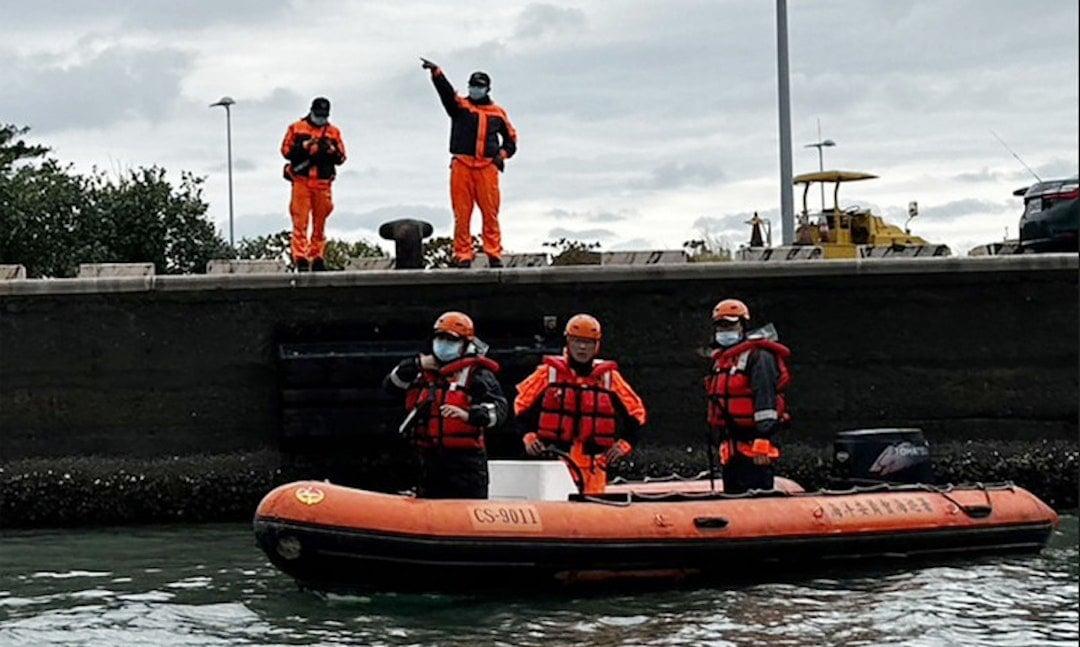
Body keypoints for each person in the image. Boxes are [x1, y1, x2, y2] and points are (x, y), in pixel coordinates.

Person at [514, 314, 646, 495]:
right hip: (555, 461)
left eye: (588, 342)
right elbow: (521, 407)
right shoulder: (549, 373)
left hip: (594, 465)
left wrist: (624, 444)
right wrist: (528, 436)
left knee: (594, 515)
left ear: (597, 345)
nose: (582, 347)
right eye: (577, 341)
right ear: (568, 341)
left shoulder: (608, 378)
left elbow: (636, 413)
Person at [382, 311, 507, 499]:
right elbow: (390, 387)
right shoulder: (420, 371)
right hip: (427, 459)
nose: (443, 345)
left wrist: (468, 415)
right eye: (439, 338)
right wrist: (416, 364)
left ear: (465, 344)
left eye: (450, 340)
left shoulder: (477, 375)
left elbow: (499, 411)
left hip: (465, 464)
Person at [421, 58, 517, 269]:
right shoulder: (460, 107)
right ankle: (463, 254)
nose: (475, 89)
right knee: (462, 213)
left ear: (487, 89)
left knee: (490, 213)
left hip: (487, 167)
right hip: (462, 165)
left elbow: (512, 140)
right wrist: (437, 73)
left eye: (479, 86)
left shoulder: (498, 113)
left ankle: (493, 252)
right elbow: (447, 94)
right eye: (472, 86)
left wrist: (502, 154)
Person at [704, 299, 792, 494]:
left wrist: (763, 439)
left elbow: (766, 402)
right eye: (721, 326)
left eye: (730, 325)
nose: (725, 330)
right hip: (732, 446)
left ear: (743, 326)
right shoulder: (722, 360)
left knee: (757, 496)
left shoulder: (759, 357)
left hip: (755, 446)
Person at [280, 97, 347, 271]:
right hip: (302, 181)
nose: (321, 118)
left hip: (323, 183)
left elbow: (341, 158)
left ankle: (317, 256)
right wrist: (304, 146)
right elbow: (286, 151)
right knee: (300, 222)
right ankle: (300, 257)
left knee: (320, 222)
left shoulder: (333, 132)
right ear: (311, 111)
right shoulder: (296, 128)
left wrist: (331, 150)